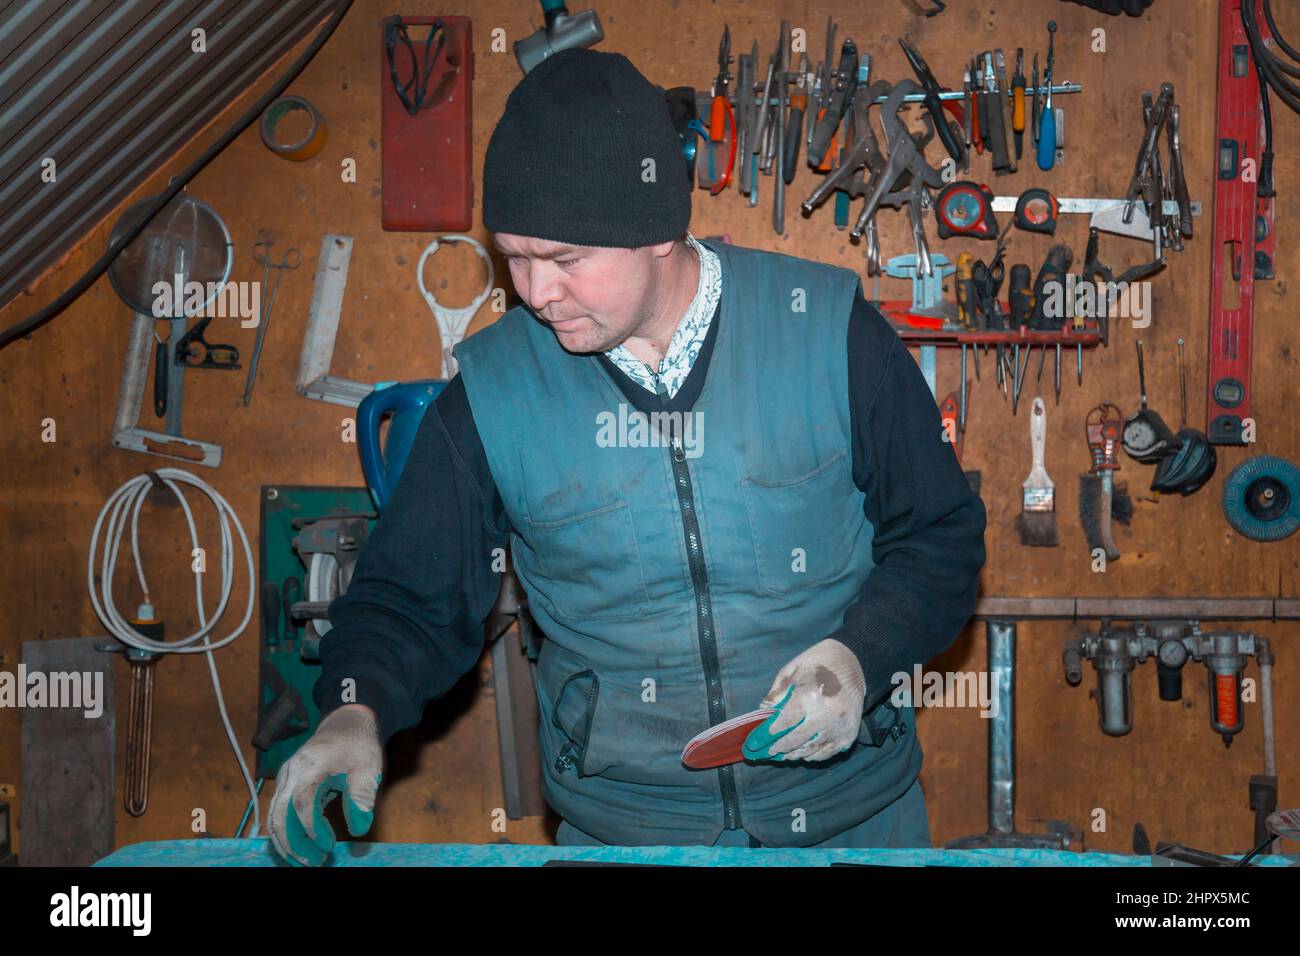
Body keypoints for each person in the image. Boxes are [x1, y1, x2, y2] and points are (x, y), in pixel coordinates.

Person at [267, 48, 985, 866]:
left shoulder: (825, 331)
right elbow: (406, 598)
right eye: (516, 256)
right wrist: (352, 714)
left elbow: (940, 537)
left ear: (657, 234)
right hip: (624, 837)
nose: (537, 292)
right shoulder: (493, 394)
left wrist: (861, 657)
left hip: (854, 821)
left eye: (566, 260)